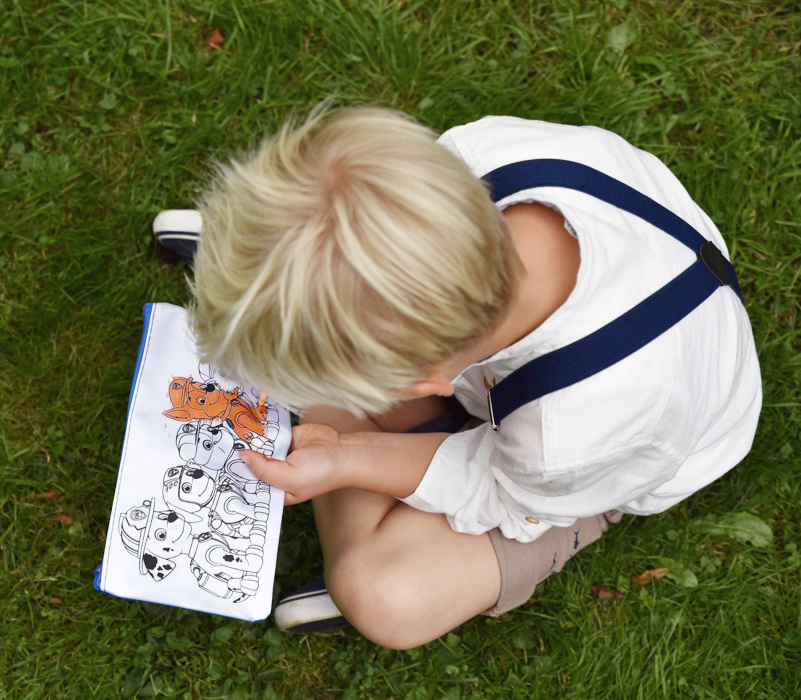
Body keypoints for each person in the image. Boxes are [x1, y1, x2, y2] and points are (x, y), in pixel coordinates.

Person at [155, 106, 761, 650]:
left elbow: (494, 487)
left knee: (385, 595)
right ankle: (293, 271)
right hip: (595, 325)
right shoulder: (483, 155)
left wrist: (343, 457)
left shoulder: (576, 433)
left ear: (425, 382)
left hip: (594, 464)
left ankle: (312, 351)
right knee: (312, 369)